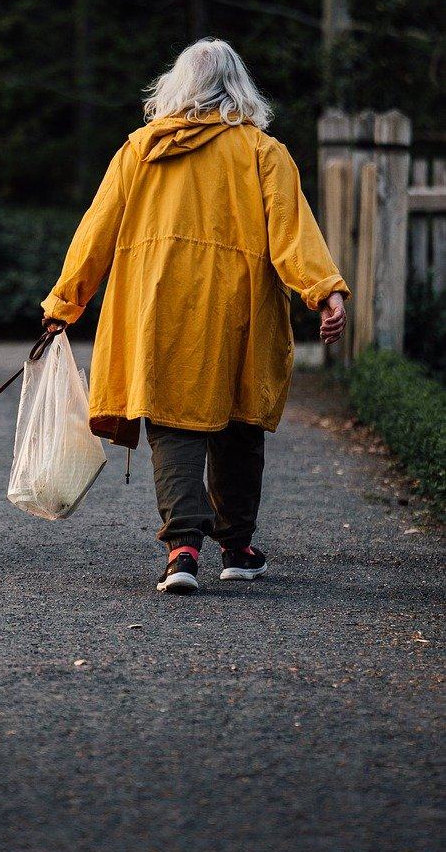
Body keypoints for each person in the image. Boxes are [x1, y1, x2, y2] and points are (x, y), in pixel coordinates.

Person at [40, 38, 349, 595]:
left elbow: (96, 232)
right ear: (239, 88)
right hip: (240, 306)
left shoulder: (140, 149)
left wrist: (65, 303)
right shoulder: (263, 152)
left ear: (175, 88)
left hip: (159, 308)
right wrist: (323, 290)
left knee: (171, 422)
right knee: (238, 422)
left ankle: (182, 549)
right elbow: (292, 234)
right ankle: (237, 546)